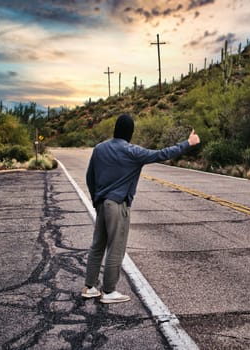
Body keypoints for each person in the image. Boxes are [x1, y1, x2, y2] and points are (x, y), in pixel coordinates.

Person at [82, 113, 201, 303]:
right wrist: (188, 143)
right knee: (116, 248)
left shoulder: (99, 149)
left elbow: (90, 177)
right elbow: (162, 153)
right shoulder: (132, 152)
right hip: (118, 205)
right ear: (130, 132)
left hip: (102, 204)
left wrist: (96, 200)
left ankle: (89, 287)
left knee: (97, 246)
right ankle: (109, 291)